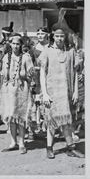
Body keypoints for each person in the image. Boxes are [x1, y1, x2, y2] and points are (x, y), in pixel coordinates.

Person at [39, 25, 84, 159]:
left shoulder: (70, 51)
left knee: (67, 122)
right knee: (51, 122)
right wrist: (45, 94)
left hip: (67, 93)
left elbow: (76, 72)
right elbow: (42, 73)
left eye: (62, 36)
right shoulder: (47, 51)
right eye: (57, 36)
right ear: (53, 36)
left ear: (65, 37)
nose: (59, 38)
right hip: (52, 93)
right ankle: (49, 148)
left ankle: (71, 148)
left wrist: (75, 91)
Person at [0, 34, 34, 154]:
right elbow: (3, 76)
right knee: (11, 116)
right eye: (13, 44)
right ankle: (13, 142)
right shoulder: (6, 57)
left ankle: (22, 142)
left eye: (18, 44)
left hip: (22, 90)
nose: (15, 46)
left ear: (21, 45)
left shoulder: (26, 57)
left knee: (21, 117)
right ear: (10, 44)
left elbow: (31, 75)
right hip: (9, 91)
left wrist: (26, 75)